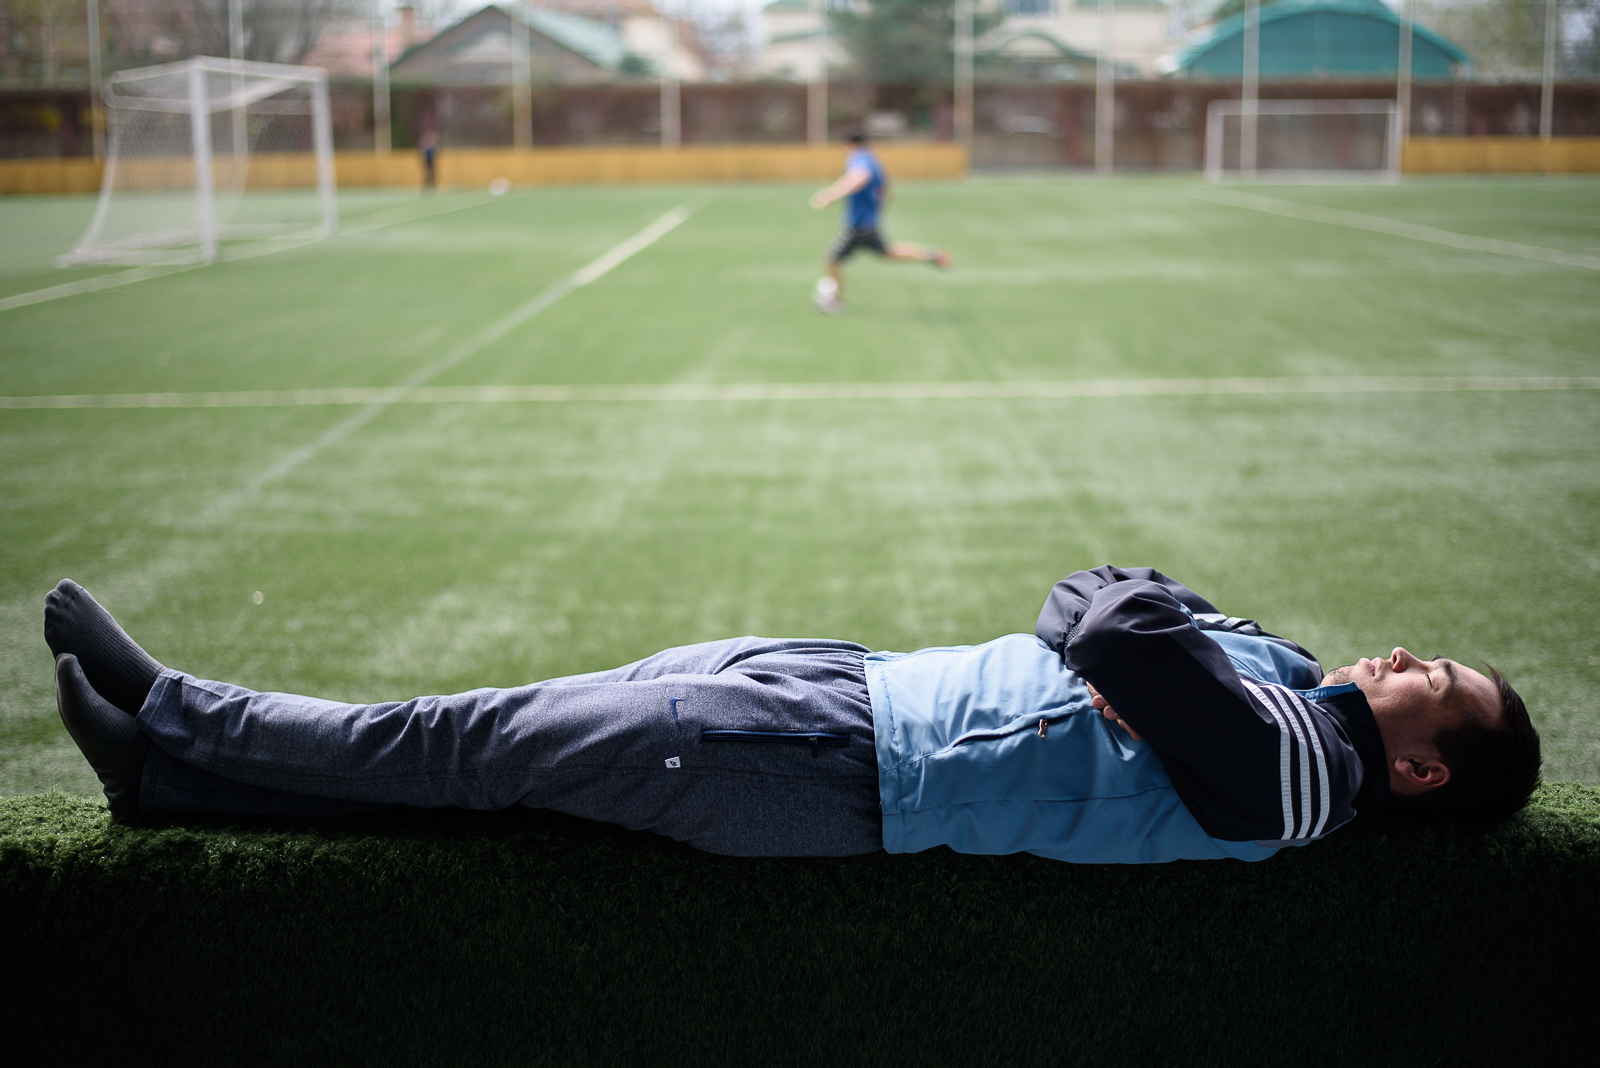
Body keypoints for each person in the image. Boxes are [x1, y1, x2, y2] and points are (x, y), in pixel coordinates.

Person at [45, 566, 1541, 863]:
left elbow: (1107, 614)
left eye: (1437, 683)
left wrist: (1132, 643)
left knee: (469, 742)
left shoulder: (1302, 777)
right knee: (489, 770)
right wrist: (1134, 641)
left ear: (1418, 772)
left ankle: (178, 705)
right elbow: (1127, 598)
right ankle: (172, 783)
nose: (1408, 655)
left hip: (828, 764)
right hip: (836, 683)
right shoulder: (1284, 689)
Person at [808, 132, 952, 314]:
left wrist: (831, 195)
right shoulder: (873, 159)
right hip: (869, 222)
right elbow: (885, 191)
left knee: (830, 261)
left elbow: (859, 178)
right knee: (886, 253)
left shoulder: (859, 159)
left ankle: (836, 301)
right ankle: (928, 254)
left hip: (858, 224)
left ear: (849, 144)